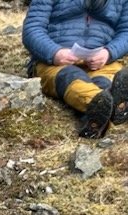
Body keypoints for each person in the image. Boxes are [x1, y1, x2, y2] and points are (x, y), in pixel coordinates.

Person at [23, 0, 128, 138]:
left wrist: (109, 52)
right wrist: (55, 53)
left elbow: (126, 31)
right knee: (71, 77)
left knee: (106, 80)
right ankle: (108, 105)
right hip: (54, 63)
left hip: (102, 62)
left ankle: (97, 118)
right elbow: (32, 29)